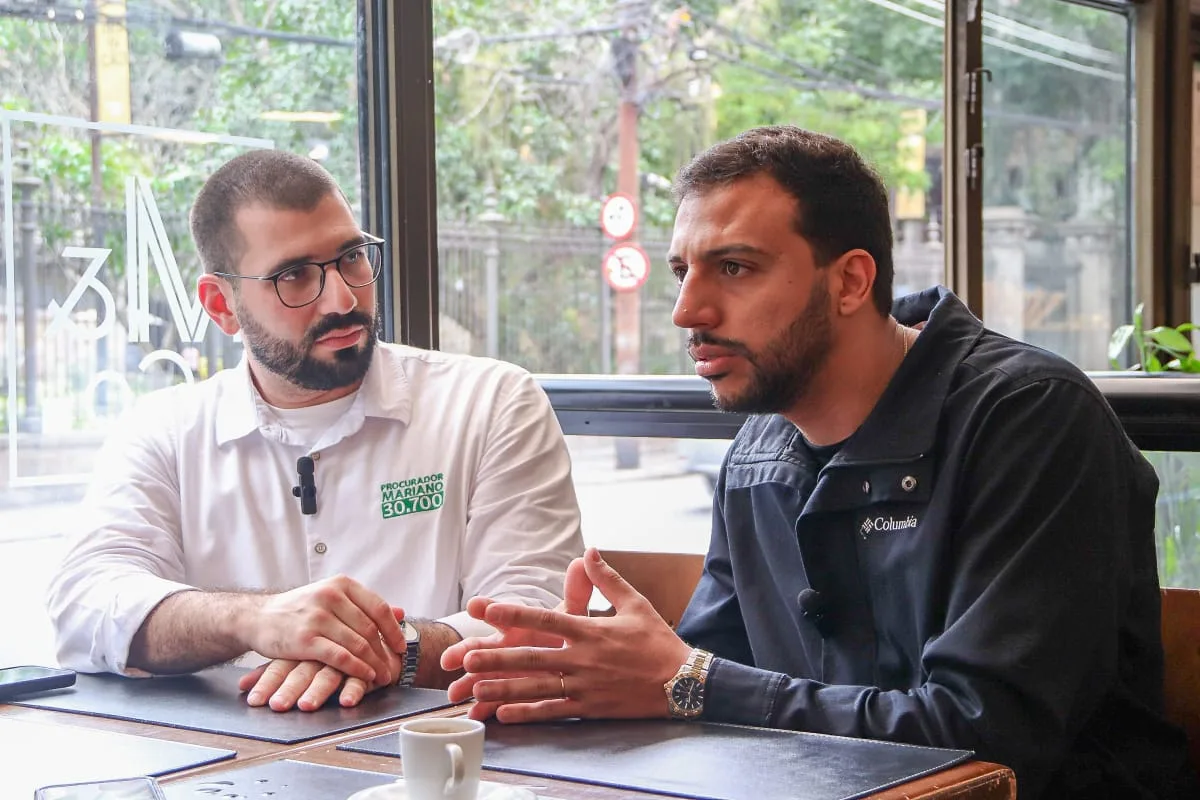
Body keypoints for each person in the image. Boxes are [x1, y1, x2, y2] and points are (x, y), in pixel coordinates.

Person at [441, 126, 1197, 798]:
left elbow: (988, 737)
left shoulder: (1027, 417)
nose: (687, 312)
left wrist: (686, 683)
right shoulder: (759, 454)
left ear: (851, 281)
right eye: (682, 272)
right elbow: (702, 678)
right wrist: (594, 675)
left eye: (733, 268)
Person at [47, 149, 583, 713]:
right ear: (221, 306)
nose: (344, 298)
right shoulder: (165, 431)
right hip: (228, 764)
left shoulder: (489, 403)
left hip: (442, 760)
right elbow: (84, 605)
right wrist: (257, 621)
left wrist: (386, 649)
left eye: (351, 257)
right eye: (294, 275)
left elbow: (535, 621)